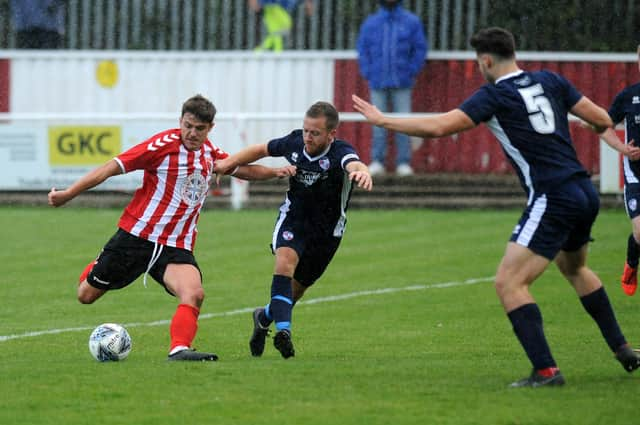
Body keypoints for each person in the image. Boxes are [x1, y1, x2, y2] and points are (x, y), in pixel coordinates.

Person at [353, 27, 640, 387]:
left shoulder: (494, 96)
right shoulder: (551, 80)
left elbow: (440, 126)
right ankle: (622, 348)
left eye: (479, 62)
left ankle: (547, 371)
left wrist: (383, 120)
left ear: (486, 61)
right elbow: (600, 118)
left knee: (509, 283)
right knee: (575, 267)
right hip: (583, 191)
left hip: (553, 196)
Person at [48, 94, 295, 361]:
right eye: (187, 125)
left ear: (210, 128)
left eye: (199, 128)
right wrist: (69, 193)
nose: (191, 133)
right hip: (136, 237)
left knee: (194, 292)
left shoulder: (209, 153)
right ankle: (97, 265)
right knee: (86, 295)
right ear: (180, 121)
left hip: (175, 245)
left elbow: (241, 169)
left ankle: (179, 349)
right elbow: (111, 167)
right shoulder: (161, 146)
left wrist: (276, 172)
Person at [214, 101, 373, 358]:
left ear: (331, 134)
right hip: (294, 220)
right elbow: (261, 149)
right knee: (284, 263)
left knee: (294, 292)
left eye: (315, 133)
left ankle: (263, 318)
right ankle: (284, 332)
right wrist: (226, 163)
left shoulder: (341, 152)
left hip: (327, 233)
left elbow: (355, 165)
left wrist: (363, 173)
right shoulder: (295, 142)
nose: (307, 137)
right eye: (305, 130)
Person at [356, 0, 427, 176]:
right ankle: (377, 161)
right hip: (377, 81)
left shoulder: (411, 22)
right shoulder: (371, 23)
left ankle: (403, 162)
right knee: (376, 123)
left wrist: (411, 71)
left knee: (404, 123)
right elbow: (362, 49)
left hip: (402, 82)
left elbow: (420, 49)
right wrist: (368, 72)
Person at [598, 45, 640, 297]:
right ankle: (632, 264)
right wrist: (623, 148)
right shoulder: (628, 96)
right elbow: (604, 126)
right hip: (636, 174)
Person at [248, 0, 313, 52]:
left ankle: (263, 51)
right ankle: (273, 52)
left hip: (276, 7)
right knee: (284, 26)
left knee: (276, 33)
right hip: (271, 7)